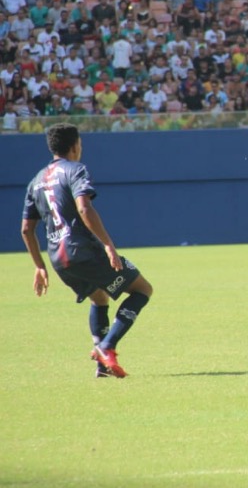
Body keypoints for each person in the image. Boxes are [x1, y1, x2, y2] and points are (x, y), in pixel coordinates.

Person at [21, 123, 154, 378]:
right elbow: (84, 208)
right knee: (142, 289)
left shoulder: (35, 181)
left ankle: (102, 368)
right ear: (74, 146)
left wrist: (39, 266)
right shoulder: (76, 169)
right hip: (82, 251)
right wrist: (108, 245)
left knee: (100, 298)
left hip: (58, 259)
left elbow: (27, 229)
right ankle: (107, 347)